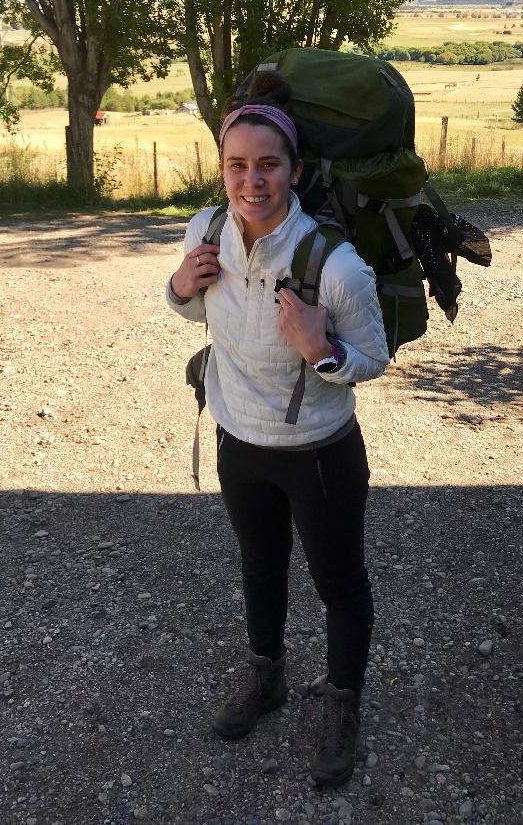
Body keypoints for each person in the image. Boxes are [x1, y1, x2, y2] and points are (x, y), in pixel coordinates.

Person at [166, 71, 389, 787]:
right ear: (222, 168)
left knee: (339, 584)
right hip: (239, 442)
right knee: (258, 569)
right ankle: (267, 680)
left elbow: (372, 359)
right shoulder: (204, 232)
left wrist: (319, 350)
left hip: (318, 455)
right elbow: (190, 313)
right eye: (237, 165)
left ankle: (343, 706)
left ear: (293, 170)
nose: (251, 180)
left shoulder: (335, 264)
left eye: (267, 165)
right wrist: (176, 287)